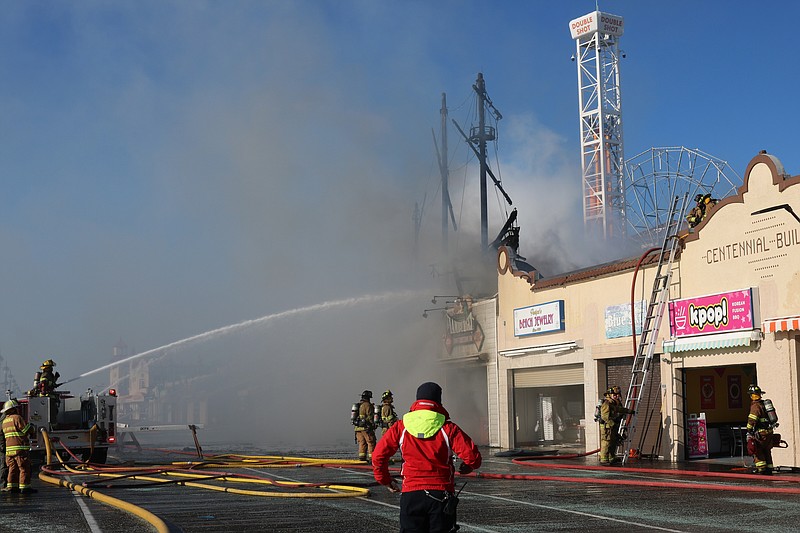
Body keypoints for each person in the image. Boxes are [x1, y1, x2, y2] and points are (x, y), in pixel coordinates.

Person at [372, 381, 482, 533]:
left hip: (411, 494)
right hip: (440, 495)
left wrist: (385, 480)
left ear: (417, 401)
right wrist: (468, 466)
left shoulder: (400, 427)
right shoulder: (448, 428)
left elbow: (378, 456)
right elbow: (474, 458)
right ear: (438, 401)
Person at [1, 399, 36, 494]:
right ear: (13, 409)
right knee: (24, 468)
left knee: (12, 469)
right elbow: (25, 430)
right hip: (20, 449)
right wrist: (32, 428)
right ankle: (25, 487)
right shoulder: (17, 418)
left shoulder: (4, 422)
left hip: (9, 451)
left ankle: (12, 487)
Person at [598, 385, 635, 466]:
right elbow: (604, 416)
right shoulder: (606, 403)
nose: (616, 396)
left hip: (612, 425)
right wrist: (612, 423)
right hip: (606, 426)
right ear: (609, 395)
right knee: (606, 442)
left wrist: (630, 411)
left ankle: (611, 457)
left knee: (614, 441)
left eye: (618, 394)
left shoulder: (614, 403)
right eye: (614, 395)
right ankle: (603, 458)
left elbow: (619, 409)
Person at [746, 384, 775, 475]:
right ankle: (769, 468)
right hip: (769, 432)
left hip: (761, 433)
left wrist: (749, 429)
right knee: (767, 450)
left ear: (752, 396)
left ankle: (761, 469)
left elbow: (752, 419)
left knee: (758, 450)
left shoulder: (755, 406)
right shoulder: (764, 404)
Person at [353, 390, 377, 462]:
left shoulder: (359, 405)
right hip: (366, 428)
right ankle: (372, 459)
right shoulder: (368, 405)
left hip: (358, 428)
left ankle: (362, 458)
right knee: (371, 442)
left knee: (362, 443)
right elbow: (370, 417)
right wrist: (373, 424)